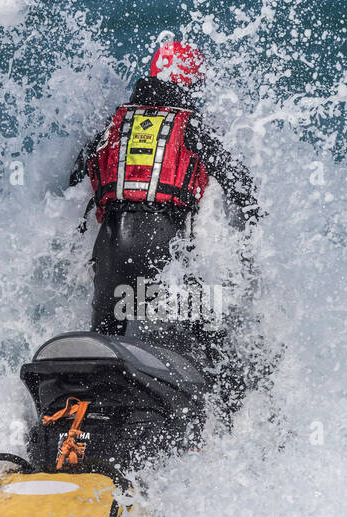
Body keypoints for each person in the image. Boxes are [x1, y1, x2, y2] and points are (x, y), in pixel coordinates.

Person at [69, 41, 261, 377]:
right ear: (190, 86)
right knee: (211, 343)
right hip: (163, 250)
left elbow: (73, 183)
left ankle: (90, 405)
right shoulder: (193, 128)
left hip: (111, 250)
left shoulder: (114, 126)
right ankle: (227, 406)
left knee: (105, 345)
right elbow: (243, 191)